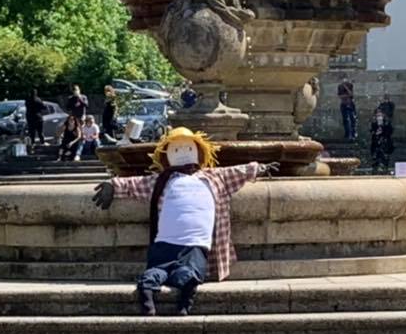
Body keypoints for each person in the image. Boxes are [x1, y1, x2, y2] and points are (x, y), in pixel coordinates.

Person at [91, 128, 278, 316]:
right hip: (173, 242)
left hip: (194, 244)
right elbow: (135, 183)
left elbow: (236, 172)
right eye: (176, 150)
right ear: (166, 157)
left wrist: (258, 168)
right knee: (173, 270)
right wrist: (112, 185)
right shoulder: (161, 180)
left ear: (198, 151)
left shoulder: (213, 176)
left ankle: (179, 302)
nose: (183, 154)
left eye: (188, 149)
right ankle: (151, 294)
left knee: (183, 273)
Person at [370, 109, 394, 174]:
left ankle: (385, 169)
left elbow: (390, 131)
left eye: (380, 114)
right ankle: (375, 170)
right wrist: (375, 132)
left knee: (385, 158)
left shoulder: (387, 122)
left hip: (385, 143)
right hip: (376, 144)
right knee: (376, 158)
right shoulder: (374, 123)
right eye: (377, 114)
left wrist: (384, 128)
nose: (379, 115)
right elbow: (372, 131)